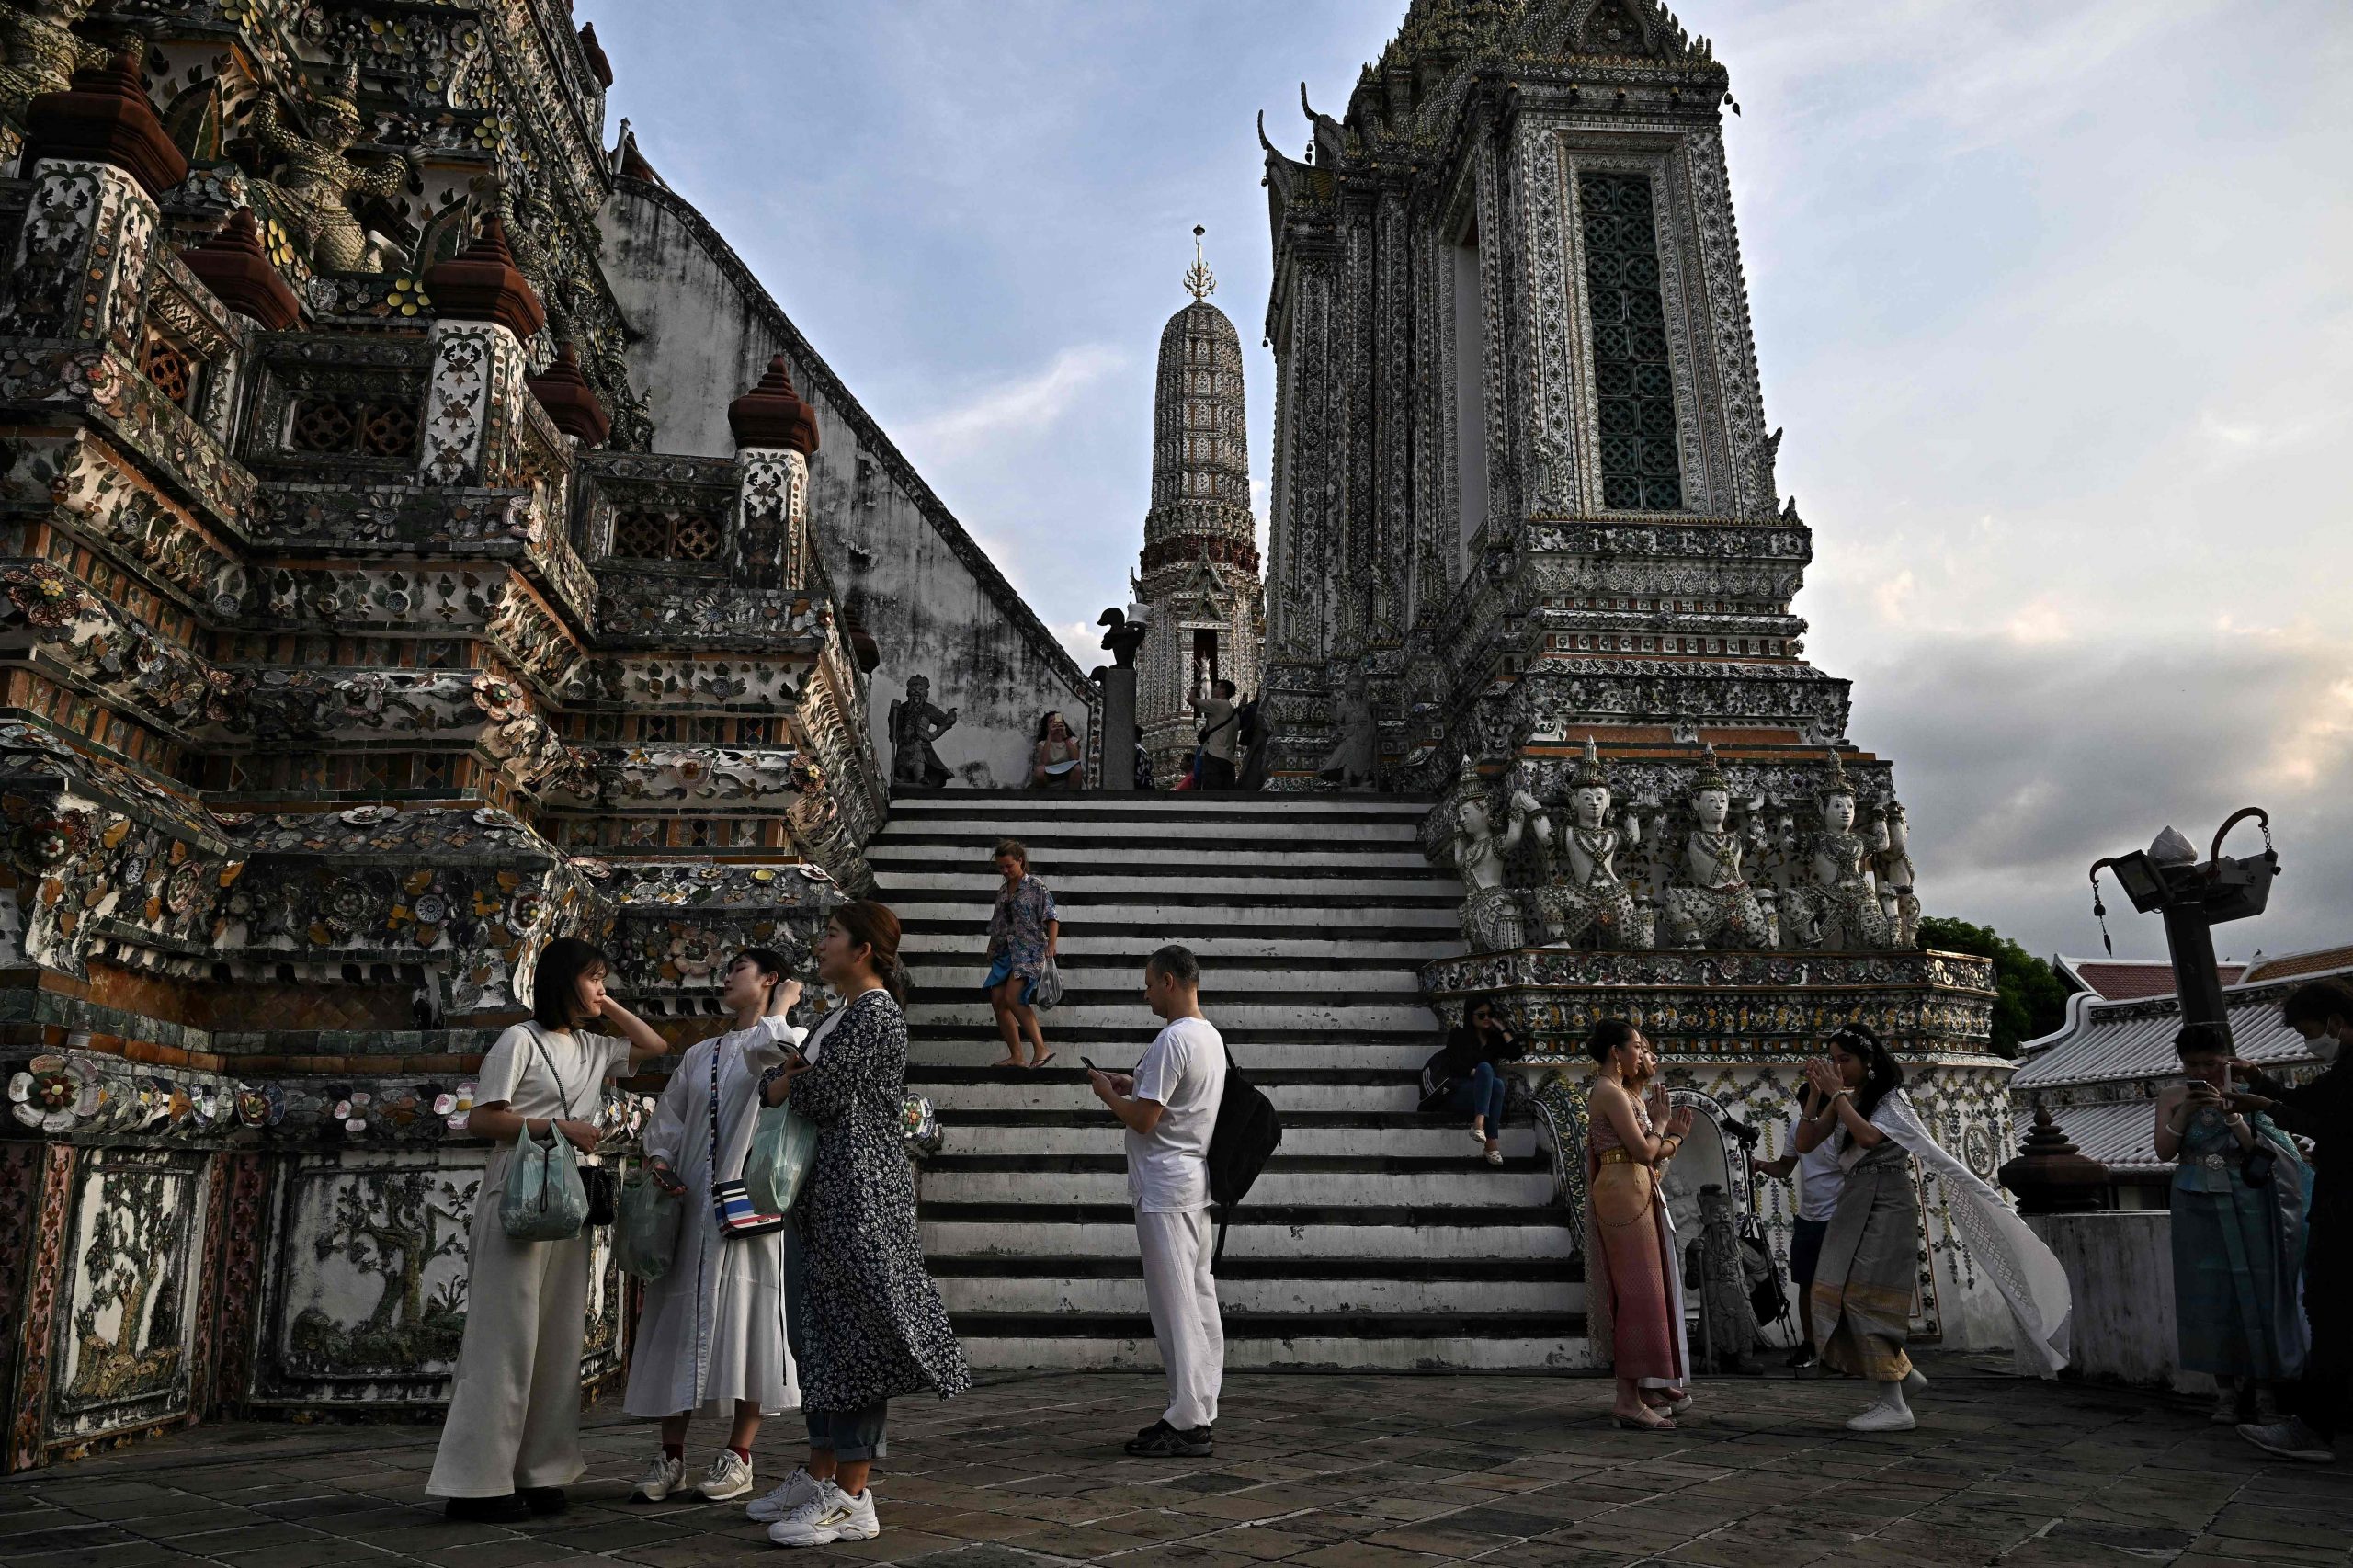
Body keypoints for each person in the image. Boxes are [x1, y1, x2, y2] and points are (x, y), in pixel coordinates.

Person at [426, 938, 668, 1520]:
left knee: (559, 1340)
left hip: (571, 1195)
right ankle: (477, 1483)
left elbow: (655, 1047)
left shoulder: (592, 1045)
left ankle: (540, 1471)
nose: (600, 986)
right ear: (563, 981)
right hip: (518, 1189)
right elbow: (481, 1118)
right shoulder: (519, 1040)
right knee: (504, 1339)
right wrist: (556, 1126)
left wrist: (604, 1004)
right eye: (591, 977)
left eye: (604, 976)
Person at [756, 902, 970, 1546]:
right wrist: (789, 1076)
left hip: (860, 1195)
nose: (819, 945)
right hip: (825, 1191)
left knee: (853, 1335)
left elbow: (817, 1092)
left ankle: (853, 1492)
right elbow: (785, 1080)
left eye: (831, 935)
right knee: (818, 1332)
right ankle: (824, 1471)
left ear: (864, 950)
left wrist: (790, 1078)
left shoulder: (875, 1016)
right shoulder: (840, 1016)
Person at [1799, 1022, 2071, 1433]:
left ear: (1868, 1061)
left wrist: (1836, 1095)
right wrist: (1818, 1094)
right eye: (1833, 1060)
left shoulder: (1890, 1098)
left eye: (1845, 1060)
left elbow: (1869, 1137)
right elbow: (1805, 1143)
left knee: (1865, 1297)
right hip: (1854, 1200)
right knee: (1832, 1289)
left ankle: (1894, 1403)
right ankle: (1904, 1376)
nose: (1839, 1067)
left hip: (1887, 1199)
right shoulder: (1843, 1098)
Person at [625, 949, 809, 1504]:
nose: (726, 978)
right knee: (677, 1317)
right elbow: (669, 1119)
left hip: (751, 1205)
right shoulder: (701, 1053)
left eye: (739, 970)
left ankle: (739, 1455)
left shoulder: (789, 1040)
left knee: (750, 1322)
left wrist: (781, 1007)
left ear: (769, 980)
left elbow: (772, 1058)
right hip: (692, 1206)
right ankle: (671, 1455)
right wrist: (659, 1160)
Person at [1089, 944, 1228, 1458]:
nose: (1145, 993)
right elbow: (1170, 1101)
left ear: (1169, 981)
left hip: (1166, 1186)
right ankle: (1200, 1405)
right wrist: (1134, 1084)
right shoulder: (1208, 1036)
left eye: (1149, 983)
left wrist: (1108, 1093)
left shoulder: (1174, 1038)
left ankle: (1188, 1419)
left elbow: (1145, 1120)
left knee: (1175, 1308)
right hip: (1192, 1180)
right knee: (1199, 1299)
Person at [2154, 1022, 2309, 1426]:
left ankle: (2264, 1390)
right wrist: (2185, 1113)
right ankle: (2224, 1390)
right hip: (2194, 1198)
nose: (2202, 1071)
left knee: (2257, 1287)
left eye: (2210, 1062)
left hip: (2248, 1198)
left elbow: (2268, 1152)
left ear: (2225, 1058)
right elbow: (2163, 1152)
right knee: (2206, 1293)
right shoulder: (2172, 1096)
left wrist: (2236, 1116)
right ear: (2181, 1062)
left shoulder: (2244, 1095)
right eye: (2193, 1064)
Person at [2230, 977, 2353, 1464]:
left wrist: (2267, 1107)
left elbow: (2331, 1125)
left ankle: (2314, 1428)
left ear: (2336, 1022)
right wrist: (2260, 1082)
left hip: (2346, 1209)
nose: (2309, 1043)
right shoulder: (2344, 1065)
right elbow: (2314, 1101)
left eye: (2310, 1032)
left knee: (2332, 1310)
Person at [1582, 1018, 1693, 1430]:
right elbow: (1644, 1151)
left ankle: (1644, 1387)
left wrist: (1667, 1138)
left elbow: (1650, 1155)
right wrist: (1670, 1131)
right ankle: (1626, 1398)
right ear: (1617, 1051)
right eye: (1636, 1046)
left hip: (1633, 1187)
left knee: (1649, 1289)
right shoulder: (1607, 1091)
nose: (1641, 1054)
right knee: (1635, 1292)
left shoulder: (1623, 1092)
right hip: (1621, 1190)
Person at [1755, 1075, 1845, 1370]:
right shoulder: (1797, 1129)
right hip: (1808, 1217)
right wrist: (1761, 1165)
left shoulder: (1840, 1131)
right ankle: (1811, 1344)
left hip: (1837, 1216)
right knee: (1806, 1283)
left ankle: (1843, 1347)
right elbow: (1785, 1167)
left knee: (1840, 1285)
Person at [1419, 996, 1525, 1166]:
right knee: (1486, 1069)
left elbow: (1516, 1052)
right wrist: (1481, 1074)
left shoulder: (1493, 1041)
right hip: (1457, 1093)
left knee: (1497, 1084)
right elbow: (1456, 1065)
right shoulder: (1458, 1035)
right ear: (1471, 1016)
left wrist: (1502, 1028)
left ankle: (1486, 1136)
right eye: (1481, 1015)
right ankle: (1482, 1129)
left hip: (1482, 1095)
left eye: (1490, 1015)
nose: (1487, 1019)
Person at [981, 839, 1058, 1069]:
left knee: (1013, 998)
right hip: (1005, 952)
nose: (1005, 871)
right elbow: (998, 924)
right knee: (997, 1000)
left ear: (1020, 861)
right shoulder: (1004, 890)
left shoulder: (1035, 886)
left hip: (1029, 951)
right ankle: (1017, 1055)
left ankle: (1041, 1048)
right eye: (1001, 867)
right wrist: (991, 947)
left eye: (1008, 866)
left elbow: (1052, 918)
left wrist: (1051, 945)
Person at [1191, 679, 1240, 791]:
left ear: (1223, 691)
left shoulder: (1218, 704)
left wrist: (1195, 688)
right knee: (1227, 794)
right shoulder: (1235, 714)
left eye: (1216, 687)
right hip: (1229, 759)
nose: (1213, 689)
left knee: (1212, 792)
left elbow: (1191, 700)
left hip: (1214, 756)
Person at [1032, 710, 1085, 789]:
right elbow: (1043, 762)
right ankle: (1044, 797)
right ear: (1046, 728)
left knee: (1077, 768)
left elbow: (1075, 758)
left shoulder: (1072, 740)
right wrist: (1050, 735)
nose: (1054, 723)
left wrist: (1065, 736)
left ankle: (1071, 796)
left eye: (1057, 721)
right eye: (1051, 722)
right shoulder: (1042, 744)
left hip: (1068, 776)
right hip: (1049, 776)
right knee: (1039, 770)